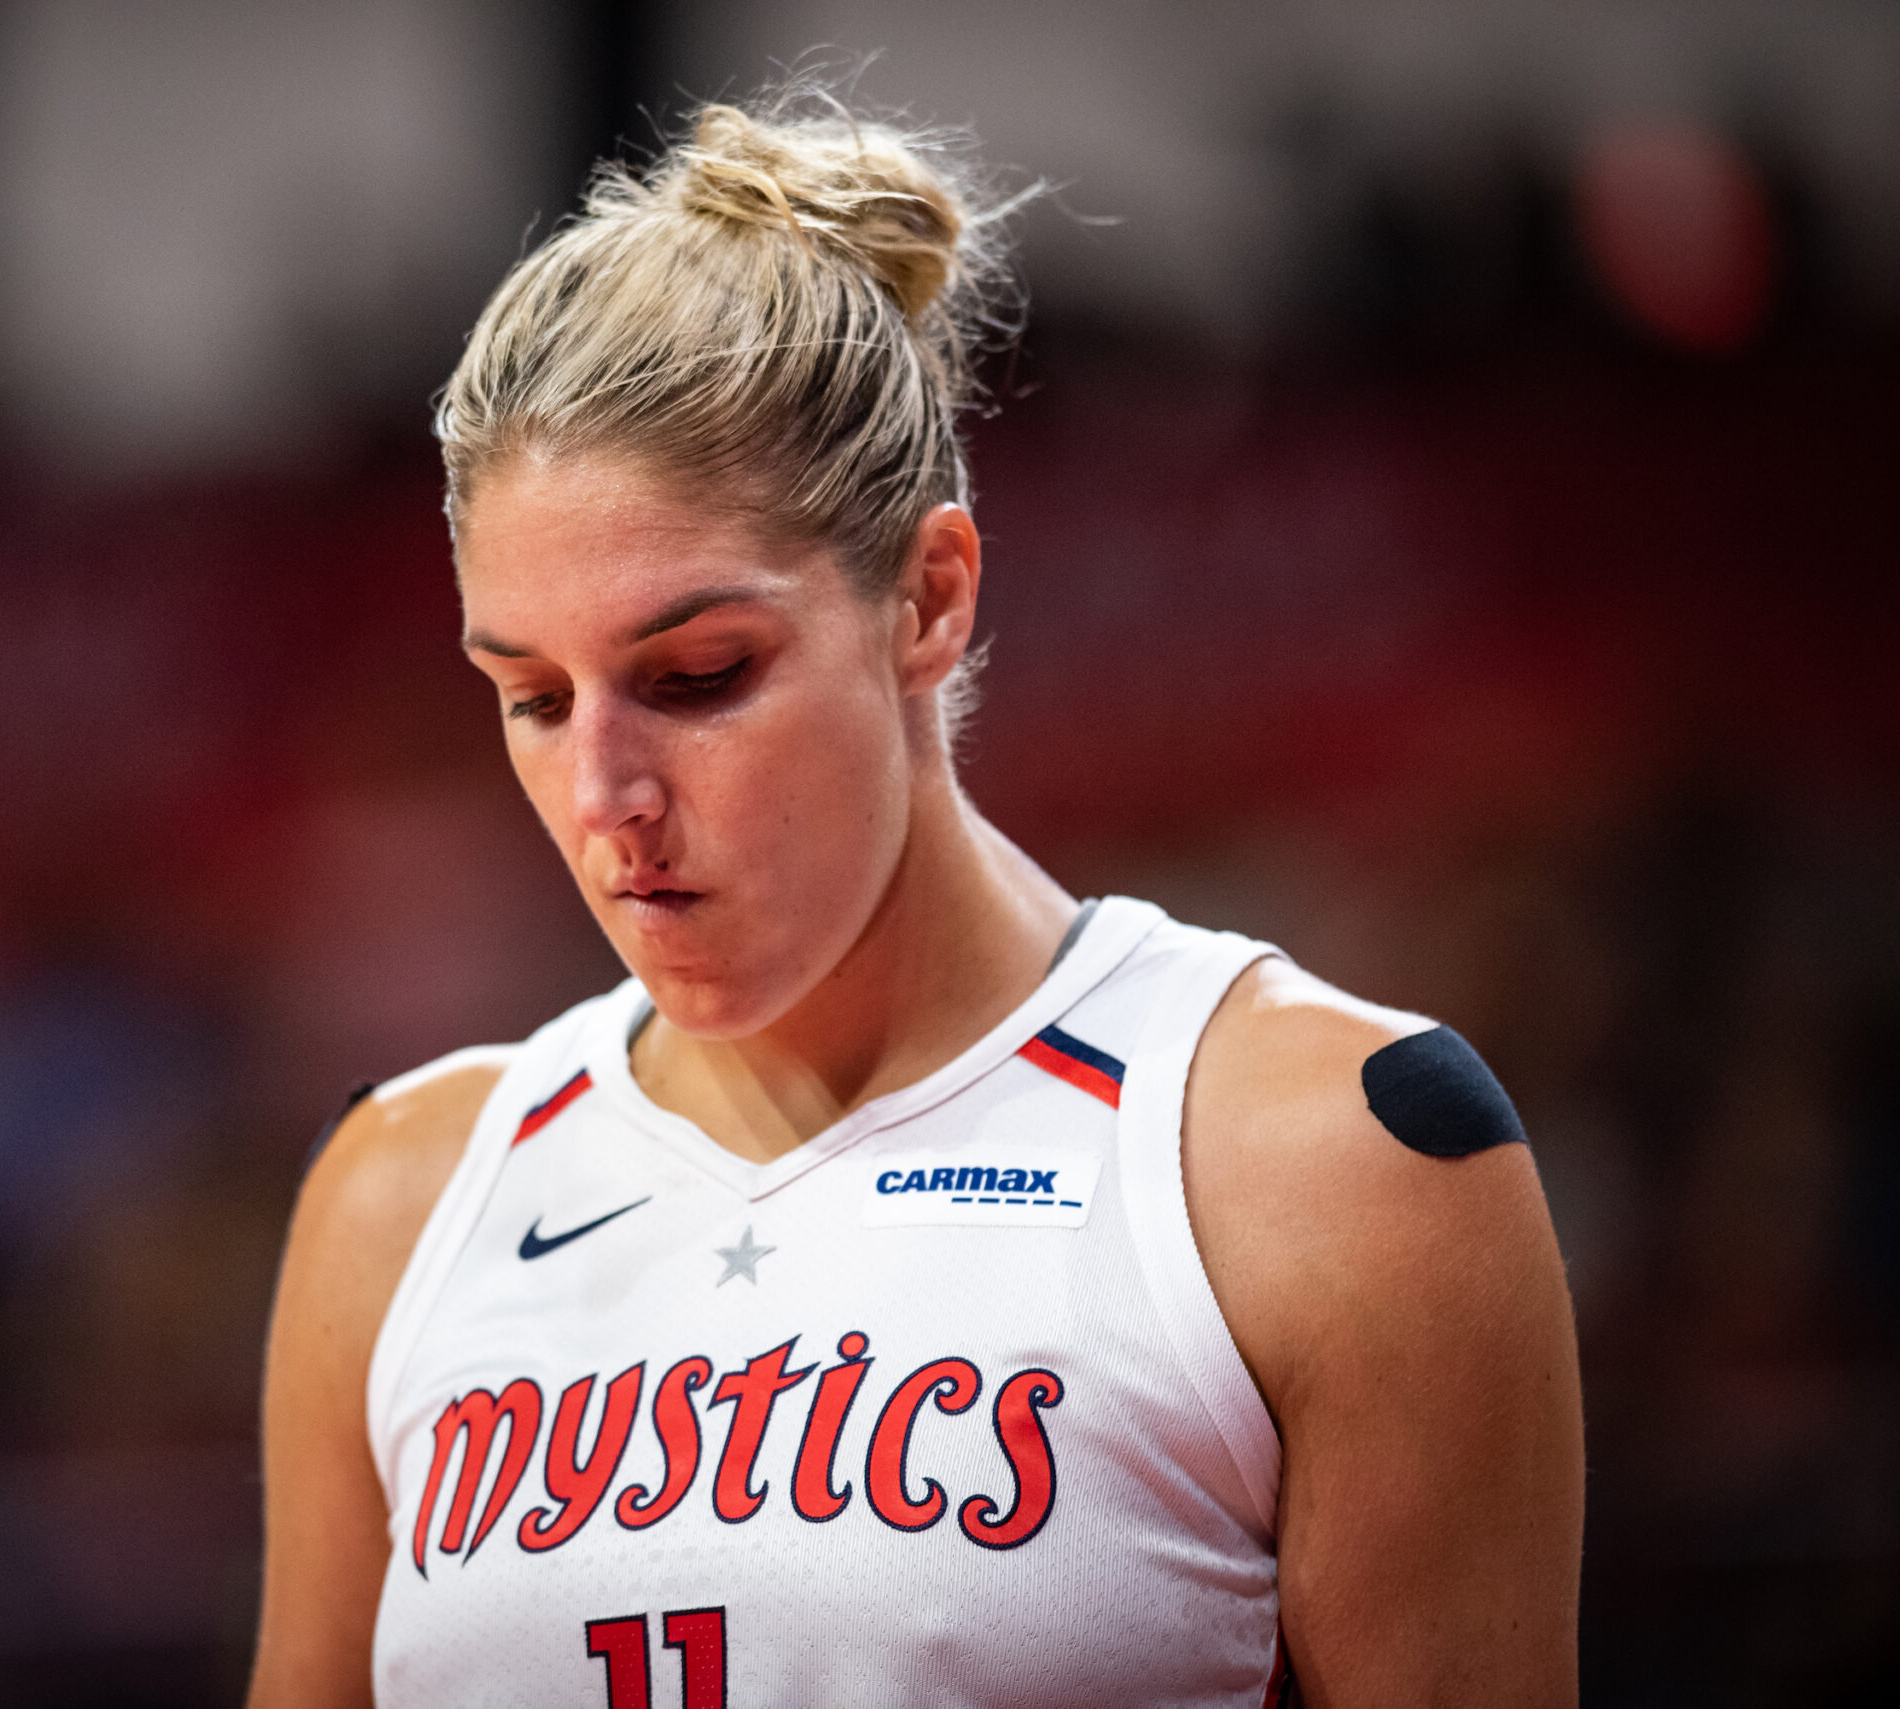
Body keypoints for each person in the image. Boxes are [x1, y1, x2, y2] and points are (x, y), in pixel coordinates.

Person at [250, 93, 1583, 1709]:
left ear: (929, 597)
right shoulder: (400, 1196)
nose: (607, 795)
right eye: (532, 696)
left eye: (699, 675)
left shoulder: (1327, 1157)